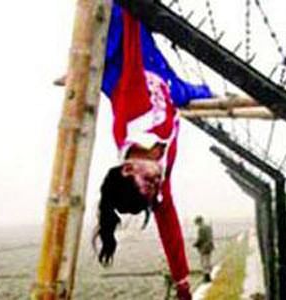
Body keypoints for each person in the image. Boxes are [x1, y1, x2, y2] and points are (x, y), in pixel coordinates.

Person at [86, 4, 213, 300]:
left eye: (149, 184)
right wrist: (182, 284)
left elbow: (131, 50)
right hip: (169, 85)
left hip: (129, 48)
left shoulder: (134, 115)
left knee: (117, 15)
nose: (157, 184)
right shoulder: (159, 169)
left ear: (129, 168)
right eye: (154, 189)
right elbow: (168, 227)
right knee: (203, 92)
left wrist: (136, 10)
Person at [193, 216, 214, 283]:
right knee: (208, 261)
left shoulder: (200, 228)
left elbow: (200, 239)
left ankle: (207, 278)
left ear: (198, 222)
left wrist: (195, 244)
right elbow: (210, 237)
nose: (196, 225)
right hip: (210, 247)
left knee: (204, 263)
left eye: (196, 223)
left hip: (204, 248)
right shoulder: (209, 227)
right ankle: (209, 277)